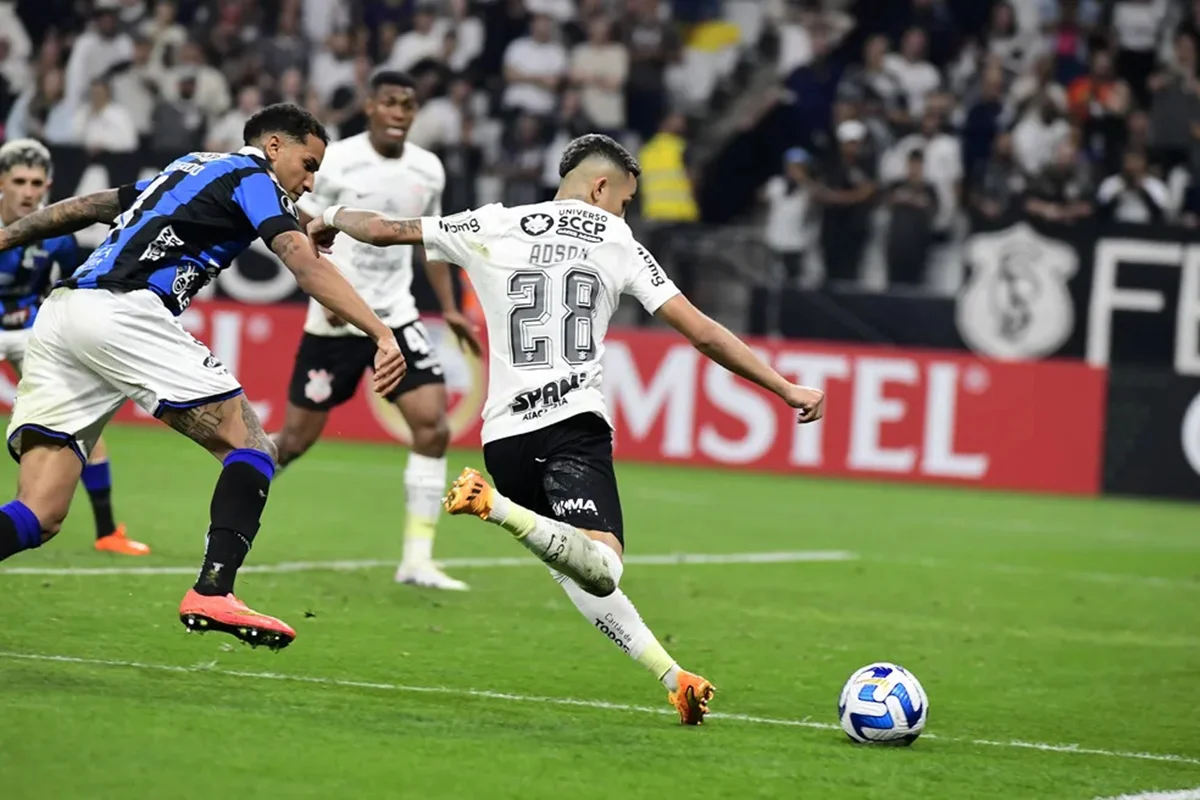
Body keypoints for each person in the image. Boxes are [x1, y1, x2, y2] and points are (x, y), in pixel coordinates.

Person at [306, 134, 826, 724]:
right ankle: (492, 506)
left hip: (503, 437)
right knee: (602, 567)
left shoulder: (493, 222)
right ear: (601, 187)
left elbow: (384, 229)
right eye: (626, 200)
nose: (624, 212)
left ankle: (670, 675)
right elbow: (703, 331)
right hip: (571, 425)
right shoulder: (618, 240)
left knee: (576, 567)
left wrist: (325, 217)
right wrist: (784, 386)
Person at [0, 104, 407, 651]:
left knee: (40, 512)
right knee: (256, 445)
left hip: (62, 315)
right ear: (274, 147)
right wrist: (381, 333)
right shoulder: (252, 176)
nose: (309, 182)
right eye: (307, 165)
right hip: (124, 313)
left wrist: (4, 239)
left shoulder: (189, 167)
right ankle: (214, 589)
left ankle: (213, 588)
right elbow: (304, 266)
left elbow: (84, 207)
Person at [270, 71, 482, 591]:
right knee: (295, 440)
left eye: (408, 104)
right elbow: (304, 229)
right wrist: (329, 293)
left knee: (432, 425)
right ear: (370, 107)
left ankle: (417, 559)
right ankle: (237, 487)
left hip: (397, 313)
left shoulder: (427, 169)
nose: (399, 112)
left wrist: (451, 307)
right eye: (389, 102)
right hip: (335, 318)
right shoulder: (336, 158)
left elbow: (431, 241)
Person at [0, 139, 150, 556]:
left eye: (36, 182)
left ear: (47, 184)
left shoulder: (57, 236)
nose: (28, 191)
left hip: (29, 329)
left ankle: (107, 532)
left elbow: (72, 289)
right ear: (2, 183)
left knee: (79, 421)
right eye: (19, 181)